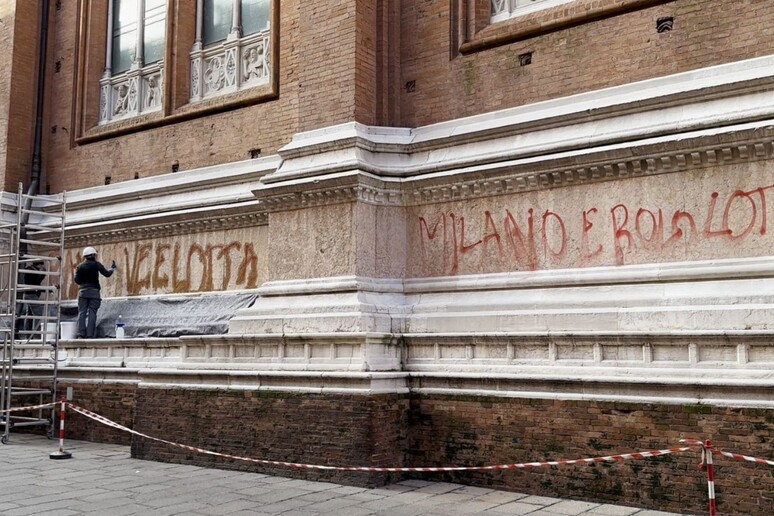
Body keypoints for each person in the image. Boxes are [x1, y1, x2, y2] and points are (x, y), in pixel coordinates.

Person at [74, 246, 116, 338]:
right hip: (94, 292)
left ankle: (81, 334)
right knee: (92, 313)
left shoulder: (80, 267)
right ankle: (89, 335)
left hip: (83, 292)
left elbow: (77, 280)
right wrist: (112, 269)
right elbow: (107, 274)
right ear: (93, 255)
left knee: (82, 312)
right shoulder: (97, 265)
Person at [16, 260, 45, 339]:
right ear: (39, 264)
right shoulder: (31, 271)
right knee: (38, 314)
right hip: (31, 295)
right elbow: (35, 283)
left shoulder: (29, 270)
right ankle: (36, 335)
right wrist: (42, 274)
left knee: (29, 315)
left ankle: (28, 335)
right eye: (42, 265)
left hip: (28, 294)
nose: (43, 267)